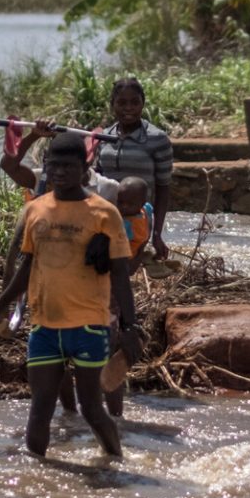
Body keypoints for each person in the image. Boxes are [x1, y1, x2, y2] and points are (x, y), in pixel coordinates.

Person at [0, 132, 138, 460]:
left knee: (90, 409)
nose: (59, 173)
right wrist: (0, 306)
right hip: (44, 326)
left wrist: (129, 328)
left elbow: (121, 276)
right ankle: (36, 478)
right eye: (53, 166)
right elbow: (28, 265)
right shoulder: (36, 210)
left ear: (84, 168)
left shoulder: (104, 213)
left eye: (67, 166)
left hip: (89, 325)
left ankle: (115, 461)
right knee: (40, 407)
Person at [93, 77, 173, 261]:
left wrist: (157, 234)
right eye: (121, 103)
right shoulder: (104, 137)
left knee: (123, 272)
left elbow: (163, 188)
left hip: (138, 222)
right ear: (112, 105)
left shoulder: (157, 139)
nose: (128, 108)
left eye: (134, 102)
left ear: (142, 104)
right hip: (105, 220)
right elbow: (96, 178)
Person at [98, 176, 154, 418]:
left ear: (142, 203)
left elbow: (128, 269)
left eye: (128, 204)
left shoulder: (140, 220)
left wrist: (141, 252)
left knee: (110, 340)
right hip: (108, 279)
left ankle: (113, 413)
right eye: (119, 201)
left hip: (118, 279)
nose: (122, 207)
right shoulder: (114, 216)